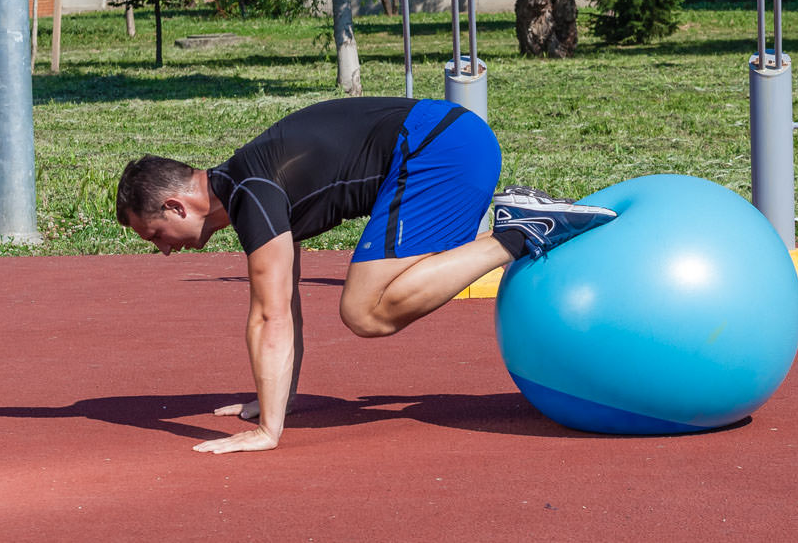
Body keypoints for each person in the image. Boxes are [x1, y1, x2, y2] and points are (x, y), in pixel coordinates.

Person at [115, 97, 616, 455]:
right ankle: (521, 226)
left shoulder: (251, 190)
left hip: (439, 148)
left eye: (154, 234)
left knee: (364, 310)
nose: (162, 250)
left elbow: (269, 317)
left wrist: (270, 431)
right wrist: (280, 399)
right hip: (450, 140)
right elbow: (285, 302)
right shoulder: (246, 187)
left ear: (175, 205)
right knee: (370, 303)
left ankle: (522, 229)